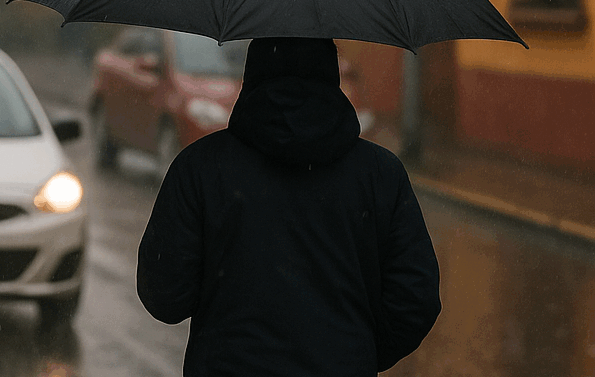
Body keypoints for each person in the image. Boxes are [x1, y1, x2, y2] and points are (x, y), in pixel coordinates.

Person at [136, 37, 441, 376]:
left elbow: (164, 295)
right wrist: (356, 351)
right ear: (331, 75)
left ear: (252, 73)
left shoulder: (200, 168)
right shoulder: (381, 174)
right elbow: (415, 299)